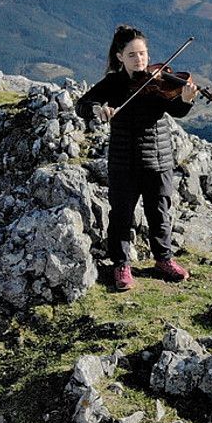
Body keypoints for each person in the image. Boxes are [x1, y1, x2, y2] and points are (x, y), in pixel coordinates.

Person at [75, 25, 197, 290]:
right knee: (121, 215)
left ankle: (163, 260)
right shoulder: (112, 83)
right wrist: (98, 110)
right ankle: (121, 264)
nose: (140, 60)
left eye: (143, 53)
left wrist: (186, 100)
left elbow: (175, 109)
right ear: (119, 56)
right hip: (124, 161)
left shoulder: (158, 80)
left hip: (159, 157)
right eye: (132, 55)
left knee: (160, 212)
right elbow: (82, 105)